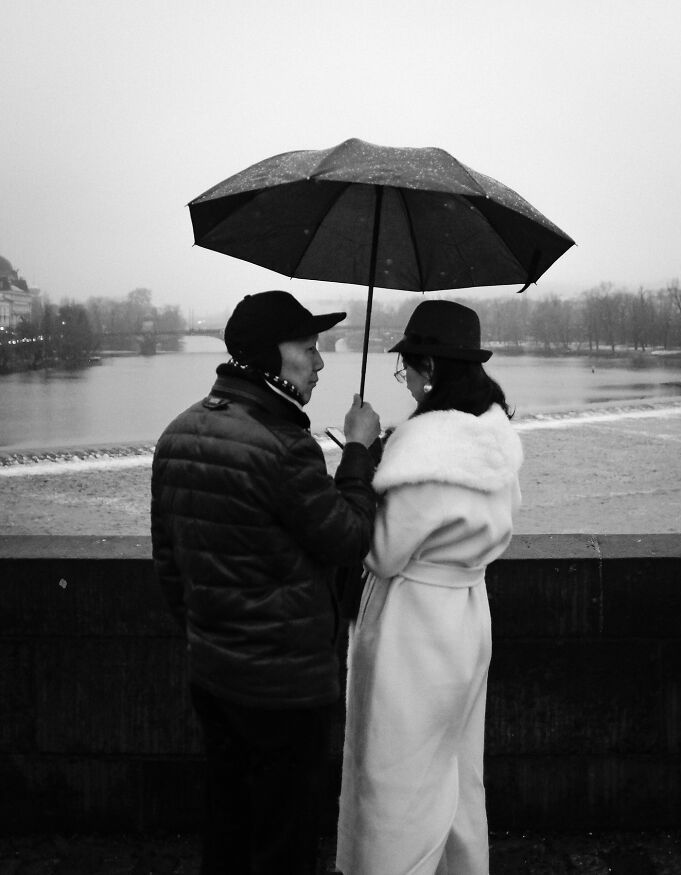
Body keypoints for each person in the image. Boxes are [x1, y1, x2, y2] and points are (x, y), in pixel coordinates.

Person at [151, 290, 381, 875]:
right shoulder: (283, 446)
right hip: (285, 688)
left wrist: (212, 636)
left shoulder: (179, 432)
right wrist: (357, 452)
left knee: (227, 821)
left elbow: (170, 568)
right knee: (284, 837)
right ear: (270, 358)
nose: (322, 362)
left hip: (213, 674)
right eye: (310, 349)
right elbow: (349, 539)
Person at [336, 300, 523, 875]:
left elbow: (383, 553)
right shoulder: (494, 437)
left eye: (409, 370)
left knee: (398, 781)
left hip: (412, 632)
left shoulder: (422, 450)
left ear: (432, 370)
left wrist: (362, 461)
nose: (408, 382)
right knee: (458, 771)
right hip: (467, 617)